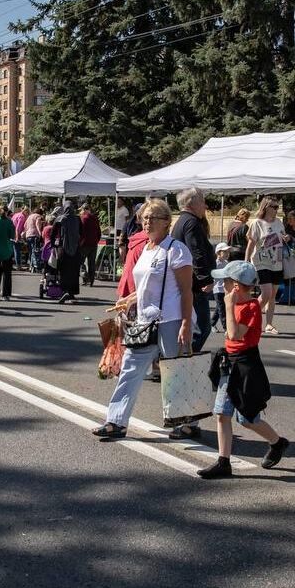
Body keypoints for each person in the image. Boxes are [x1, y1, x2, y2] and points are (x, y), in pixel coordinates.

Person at [91, 199, 194, 440]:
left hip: (171, 319)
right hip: (145, 320)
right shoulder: (146, 249)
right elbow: (148, 285)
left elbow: (186, 290)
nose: (147, 222)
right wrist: (130, 299)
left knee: (174, 370)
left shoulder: (176, 249)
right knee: (130, 368)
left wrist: (187, 323)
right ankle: (115, 421)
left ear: (167, 222)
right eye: (145, 217)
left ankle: (186, 422)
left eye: (153, 218)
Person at [198, 260, 290, 478]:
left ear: (236, 286)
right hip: (229, 363)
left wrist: (228, 306)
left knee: (247, 419)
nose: (222, 286)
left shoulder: (251, 308)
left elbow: (233, 334)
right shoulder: (239, 304)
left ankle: (278, 443)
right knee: (221, 413)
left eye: (226, 282)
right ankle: (223, 461)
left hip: (245, 365)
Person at [171, 187, 215, 361]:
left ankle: (177, 360)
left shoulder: (183, 221)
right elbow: (196, 252)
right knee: (202, 326)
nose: (205, 205)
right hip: (194, 285)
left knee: (193, 325)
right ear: (191, 203)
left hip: (188, 282)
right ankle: (180, 361)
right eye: (202, 200)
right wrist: (206, 279)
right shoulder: (191, 223)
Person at [245, 197, 288, 335]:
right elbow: (251, 244)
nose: (277, 210)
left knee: (272, 295)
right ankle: (248, 317)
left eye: (277, 207)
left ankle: (269, 324)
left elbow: (282, 237)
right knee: (266, 293)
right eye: (274, 207)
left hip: (277, 261)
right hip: (261, 261)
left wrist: (285, 238)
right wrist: (246, 262)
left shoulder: (279, 222)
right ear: (266, 207)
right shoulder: (257, 223)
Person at [53, 201, 83, 303]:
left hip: (63, 249)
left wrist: (54, 245)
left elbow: (53, 234)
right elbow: (82, 233)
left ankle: (64, 291)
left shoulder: (60, 219)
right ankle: (72, 293)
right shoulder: (77, 219)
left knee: (63, 271)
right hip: (76, 249)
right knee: (74, 272)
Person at [0, 204, 16, 300]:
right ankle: (5, 294)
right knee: (7, 273)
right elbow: (12, 236)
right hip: (7, 249)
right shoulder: (9, 222)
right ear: (6, 212)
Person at [79, 202, 102, 287]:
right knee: (91, 263)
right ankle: (91, 280)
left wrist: (80, 242)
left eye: (82, 210)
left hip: (84, 244)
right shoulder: (95, 218)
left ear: (84, 210)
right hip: (94, 244)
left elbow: (81, 232)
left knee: (81, 262)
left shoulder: (83, 219)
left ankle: (85, 278)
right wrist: (96, 240)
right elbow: (99, 232)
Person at [211, 242, 229, 332]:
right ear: (218, 253)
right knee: (222, 310)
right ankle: (226, 328)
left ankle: (212, 323)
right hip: (217, 289)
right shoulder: (215, 264)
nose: (227, 254)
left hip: (225, 290)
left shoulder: (227, 263)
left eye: (228, 252)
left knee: (219, 308)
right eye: (225, 252)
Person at [23, 206, 45, 272]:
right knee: (35, 251)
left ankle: (31, 266)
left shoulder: (30, 216)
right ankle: (35, 266)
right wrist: (40, 234)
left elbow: (25, 225)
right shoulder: (38, 216)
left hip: (28, 235)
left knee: (30, 251)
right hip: (34, 235)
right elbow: (38, 225)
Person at [11, 205, 29, 269]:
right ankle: (18, 265)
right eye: (27, 211)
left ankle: (11, 265)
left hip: (11, 234)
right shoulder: (22, 217)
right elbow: (18, 228)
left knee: (13, 250)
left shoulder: (16, 214)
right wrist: (17, 237)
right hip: (16, 234)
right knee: (17, 250)